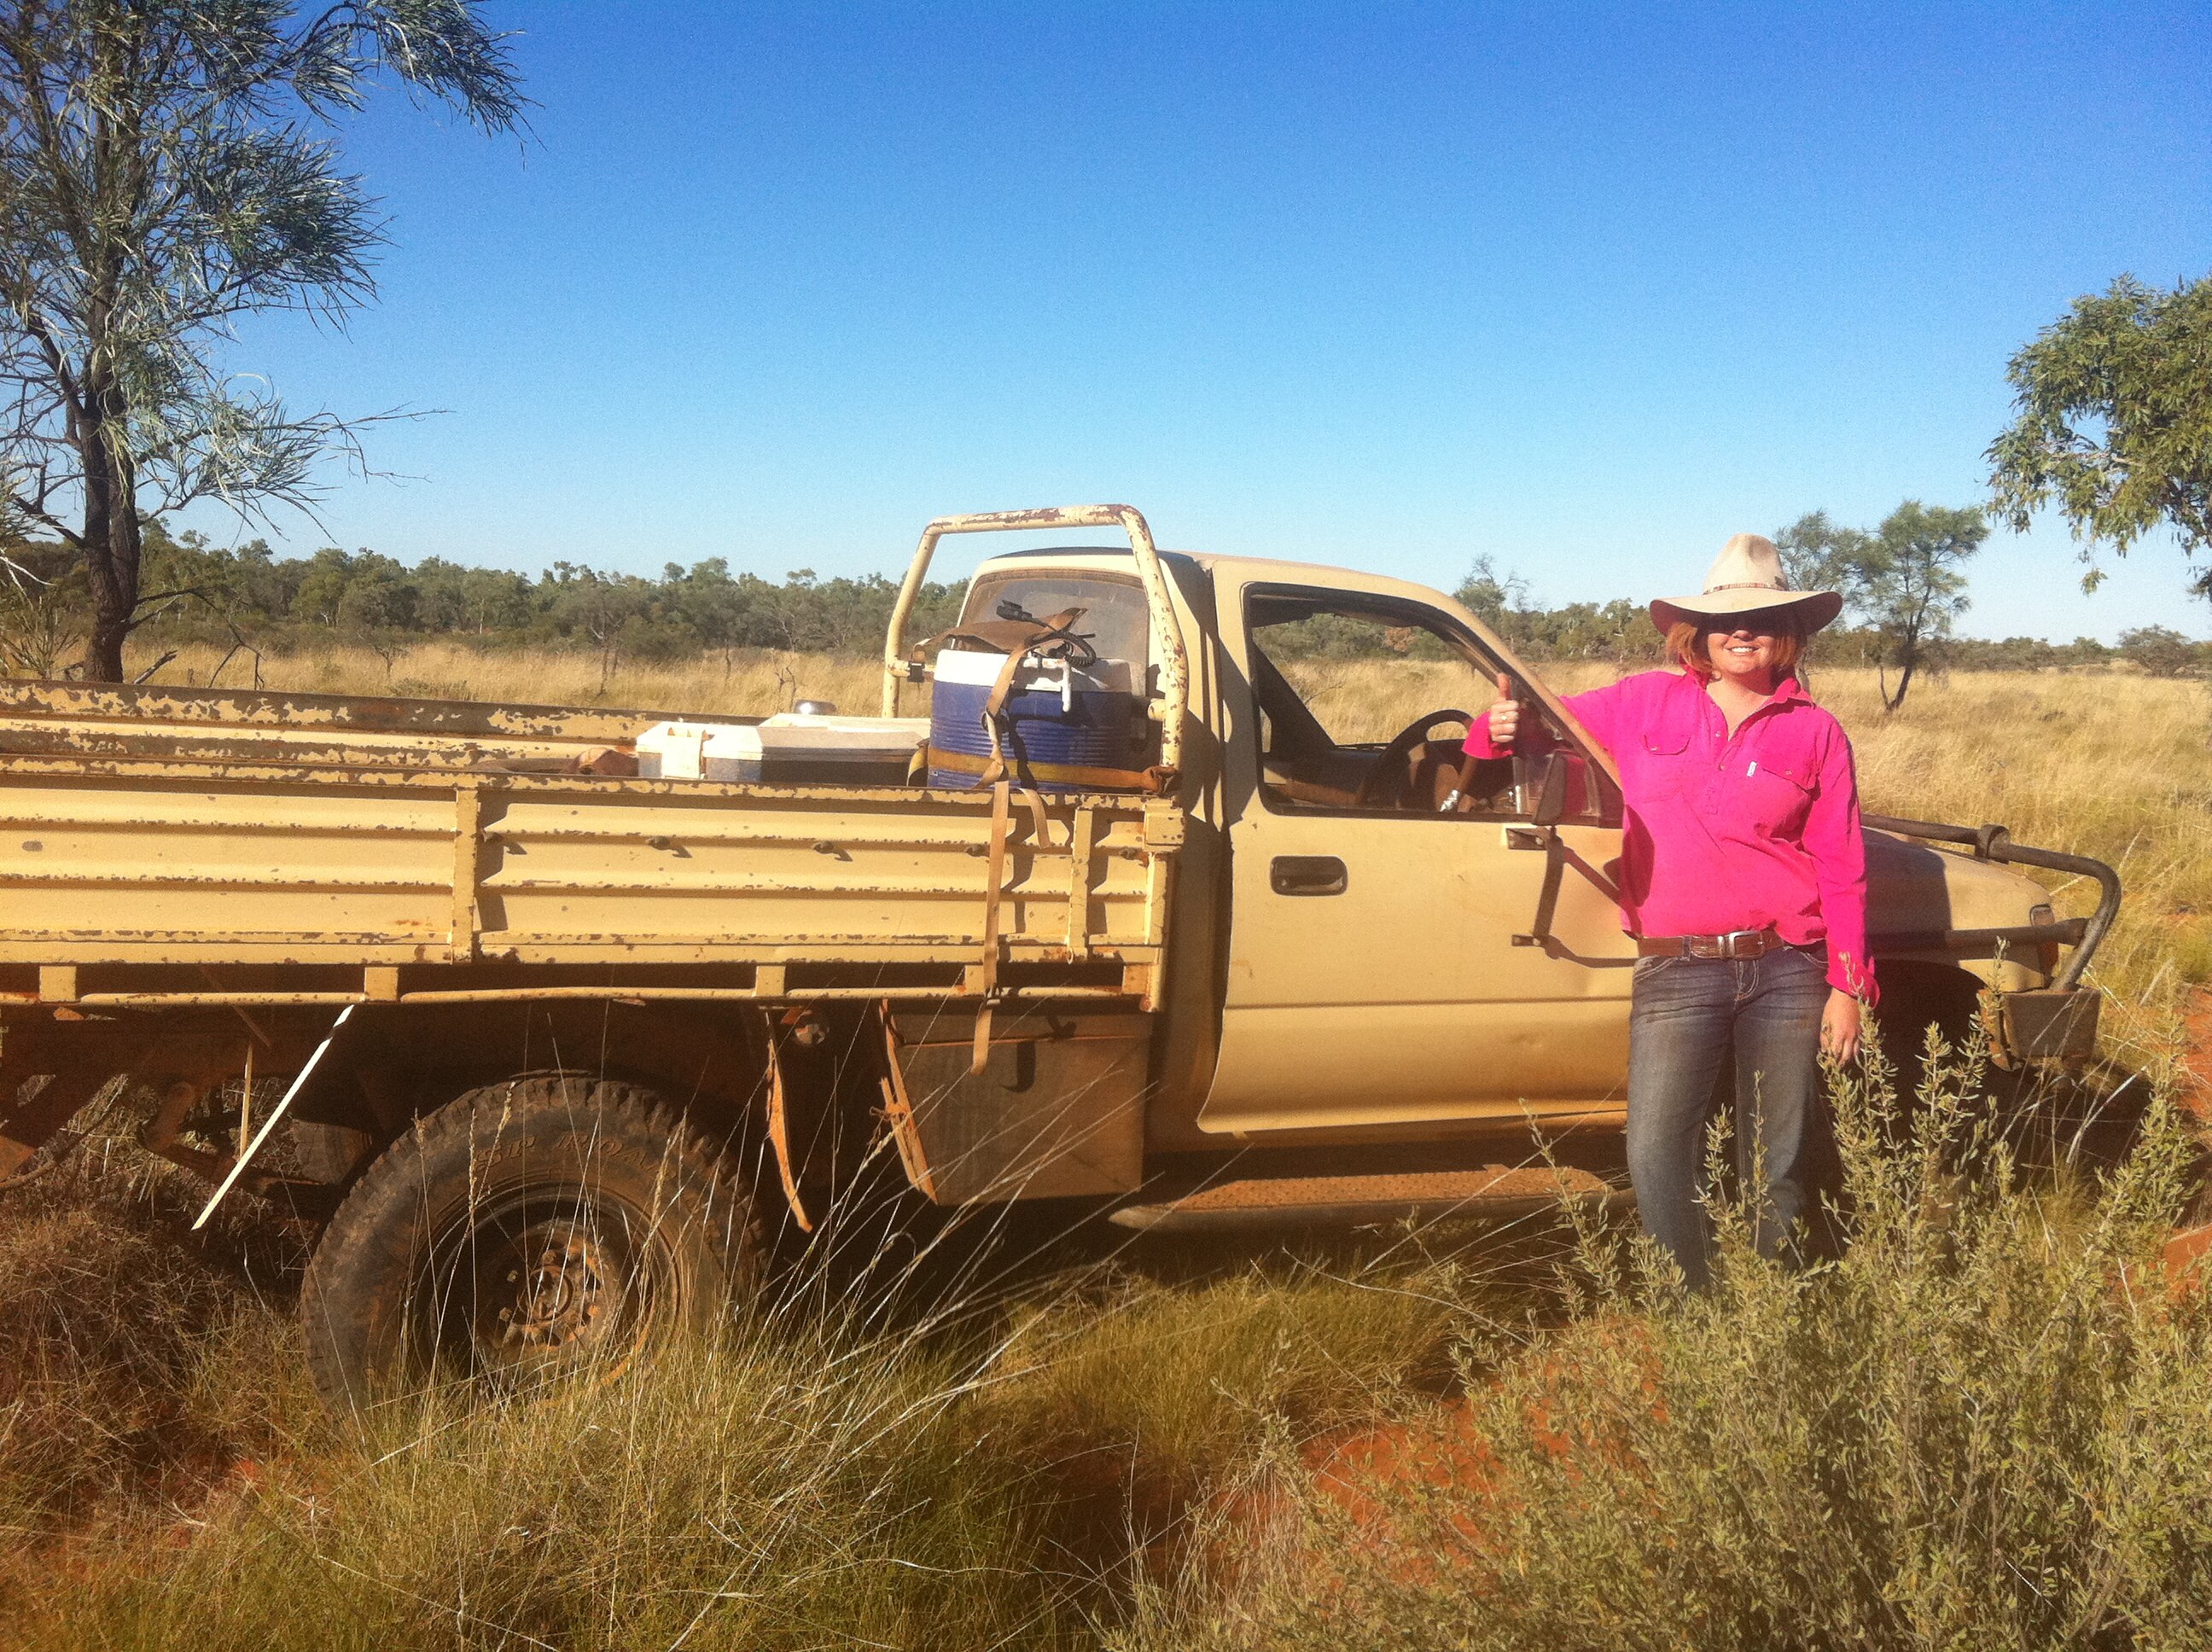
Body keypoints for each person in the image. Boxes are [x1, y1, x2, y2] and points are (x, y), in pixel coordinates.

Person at [1479, 532, 1871, 1289]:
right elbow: (1536, 728)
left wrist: (1848, 984)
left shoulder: (1815, 730)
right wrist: (1498, 729)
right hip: (1675, 965)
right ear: (1700, 629)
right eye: (1726, 619)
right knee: (1657, 1150)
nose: (1742, 631)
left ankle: (1773, 1306)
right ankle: (1694, 1308)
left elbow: (1843, 863)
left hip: (1788, 968)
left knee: (1776, 1156)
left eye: (1763, 617)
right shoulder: (1641, 701)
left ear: (1789, 630)